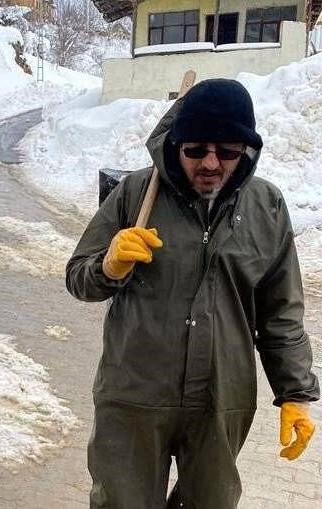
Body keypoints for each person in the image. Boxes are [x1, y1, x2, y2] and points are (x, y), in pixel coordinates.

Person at [66, 79, 319, 508]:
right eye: (196, 149)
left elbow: (280, 314)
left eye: (228, 151)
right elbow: (78, 278)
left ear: (248, 152)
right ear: (176, 144)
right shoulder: (135, 194)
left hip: (221, 403)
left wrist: (294, 393)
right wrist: (108, 267)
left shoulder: (267, 207)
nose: (210, 163)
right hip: (134, 395)